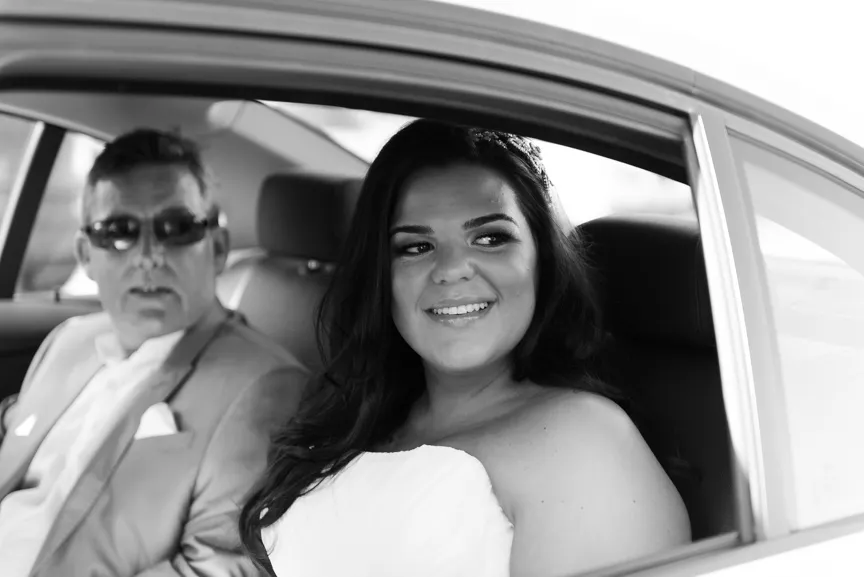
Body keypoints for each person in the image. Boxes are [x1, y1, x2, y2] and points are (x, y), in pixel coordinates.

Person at [240, 119, 691, 576]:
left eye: (491, 238)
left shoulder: (585, 444)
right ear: (382, 276)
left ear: (542, 262)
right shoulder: (358, 412)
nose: (452, 269)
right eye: (416, 246)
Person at [0, 129, 308, 577]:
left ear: (217, 248)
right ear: (86, 255)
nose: (148, 256)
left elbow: (216, 569)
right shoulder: (69, 340)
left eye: (177, 229)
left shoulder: (265, 386)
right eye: (120, 232)